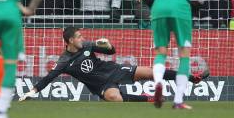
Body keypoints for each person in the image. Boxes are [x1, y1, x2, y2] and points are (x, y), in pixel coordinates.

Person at [19, 26, 209, 103]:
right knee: (115, 99)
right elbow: (49, 77)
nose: (82, 38)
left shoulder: (86, 46)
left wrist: (108, 46)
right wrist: (32, 91)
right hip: (101, 85)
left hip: (114, 70)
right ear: (69, 41)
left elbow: (111, 52)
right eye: (78, 36)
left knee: (152, 72)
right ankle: (148, 98)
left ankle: (193, 78)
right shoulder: (64, 62)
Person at [136, 0, 211, 109]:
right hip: (180, 6)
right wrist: (199, 2)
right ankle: (178, 100)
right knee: (184, 54)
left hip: (160, 5)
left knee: (161, 51)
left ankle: (158, 82)